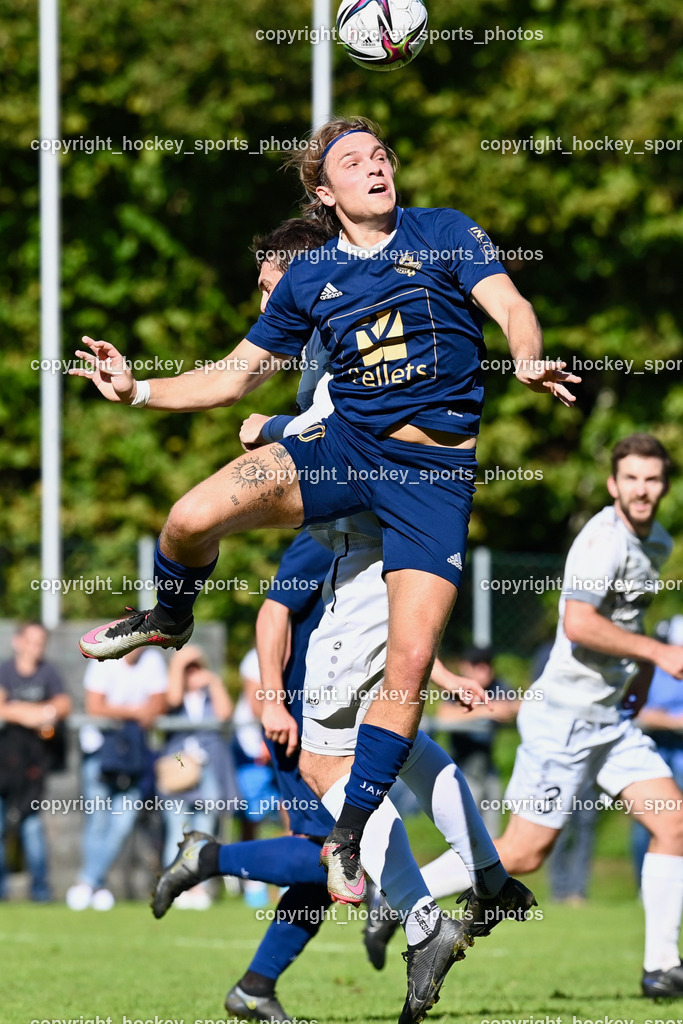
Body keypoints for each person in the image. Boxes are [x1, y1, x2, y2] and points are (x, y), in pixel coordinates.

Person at [72, 115, 578, 916]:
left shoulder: (442, 232)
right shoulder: (311, 276)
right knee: (187, 517)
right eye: (352, 160)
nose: (374, 166)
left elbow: (506, 300)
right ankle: (169, 616)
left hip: (432, 477)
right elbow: (234, 377)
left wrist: (523, 353)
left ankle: (347, 833)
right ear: (324, 190)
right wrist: (139, 390)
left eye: (381, 155)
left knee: (409, 666)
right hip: (345, 451)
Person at [152, 218, 535, 1024]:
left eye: (271, 285)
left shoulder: (341, 339)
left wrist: (278, 433)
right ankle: (467, 890)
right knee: (381, 772)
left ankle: (415, 910)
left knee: (347, 790)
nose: (269, 303)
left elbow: (339, 425)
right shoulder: (336, 342)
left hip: (355, 573)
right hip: (351, 579)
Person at [386, 435, 683, 998]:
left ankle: (661, 969)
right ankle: (399, 900)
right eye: (632, 479)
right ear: (615, 485)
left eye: (653, 479)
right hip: (565, 720)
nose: (643, 489)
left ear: (663, 485)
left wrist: (640, 681)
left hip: (610, 722)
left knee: (673, 821)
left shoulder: (658, 543)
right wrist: (661, 657)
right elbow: (578, 624)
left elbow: (631, 622)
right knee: (523, 852)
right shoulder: (602, 541)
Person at [66, 647, 166, 910]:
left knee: (122, 824)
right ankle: (96, 885)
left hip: (134, 755)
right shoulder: (104, 658)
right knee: (98, 822)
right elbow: (96, 706)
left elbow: (158, 704)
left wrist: (122, 711)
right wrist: (135, 712)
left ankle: (86, 882)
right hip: (100, 753)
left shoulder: (153, 660)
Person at [0, 622, 71, 902]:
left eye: (40, 642)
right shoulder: (5, 670)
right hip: (3, 763)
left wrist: (18, 711)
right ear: (18, 641)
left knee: (32, 829)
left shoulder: (48, 672)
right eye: (31, 641)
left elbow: (63, 705)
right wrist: (35, 714)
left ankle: (40, 893)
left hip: (32, 767)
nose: (35, 647)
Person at [157, 645, 232, 909]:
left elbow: (225, 714)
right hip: (178, 767)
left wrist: (212, 679)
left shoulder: (209, 695)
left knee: (203, 831)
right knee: (177, 831)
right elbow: (173, 699)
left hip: (208, 769)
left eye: (196, 667)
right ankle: (175, 886)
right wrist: (179, 663)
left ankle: (198, 887)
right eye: (188, 670)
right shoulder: (172, 695)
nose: (193, 673)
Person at [434, 645, 518, 837]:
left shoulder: (498, 686)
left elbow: (518, 704)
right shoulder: (457, 687)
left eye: (488, 664)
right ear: (465, 667)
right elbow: (444, 715)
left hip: (488, 768)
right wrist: (487, 709)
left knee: (491, 835)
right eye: (478, 665)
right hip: (461, 769)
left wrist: (507, 708)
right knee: (466, 835)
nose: (485, 670)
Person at [632, 615, 683, 882]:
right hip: (656, 754)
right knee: (650, 823)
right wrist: (672, 721)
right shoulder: (653, 671)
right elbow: (638, 713)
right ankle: (645, 883)